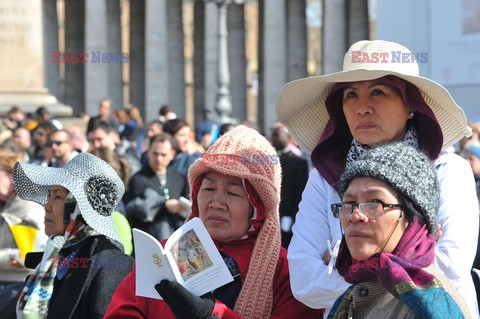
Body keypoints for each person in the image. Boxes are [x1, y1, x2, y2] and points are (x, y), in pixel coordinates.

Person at [276, 40, 479, 316]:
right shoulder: (324, 178)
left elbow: (450, 267)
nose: (362, 107)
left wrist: (343, 264)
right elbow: (303, 281)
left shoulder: (448, 170)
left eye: (378, 91)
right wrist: (411, 258)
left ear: (411, 106)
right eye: (350, 95)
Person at [105, 125, 323, 318]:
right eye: (208, 188)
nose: (216, 203)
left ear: (259, 207)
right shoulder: (161, 257)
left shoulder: (289, 273)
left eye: (233, 193)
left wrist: (212, 314)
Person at [327, 142, 470, 318]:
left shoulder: (431, 306)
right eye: (348, 204)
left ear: (414, 219)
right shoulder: (358, 291)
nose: (355, 216)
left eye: (374, 203)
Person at [13, 152, 134, 318]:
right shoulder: (54, 255)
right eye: (49, 195)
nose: (47, 206)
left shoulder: (113, 264)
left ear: (79, 210)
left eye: (58, 197)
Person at [0, 148, 46, 319]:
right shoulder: (8, 204)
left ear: (11, 177)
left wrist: (11, 256)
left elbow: (31, 254)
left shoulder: (27, 208)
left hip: (16, 286)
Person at [123, 133, 189, 241]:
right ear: (148, 152)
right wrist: (163, 206)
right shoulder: (137, 179)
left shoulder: (179, 179)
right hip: (148, 239)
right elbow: (132, 211)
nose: (159, 159)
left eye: (163, 155)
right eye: (155, 153)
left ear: (172, 154)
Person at [270, 122, 309, 248]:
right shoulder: (267, 160)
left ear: (288, 138)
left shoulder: (299, 162)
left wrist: (294, 216)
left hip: (288, 212)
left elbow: (300, 190)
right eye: (273, 135)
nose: (275, 138)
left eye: (278, 135)